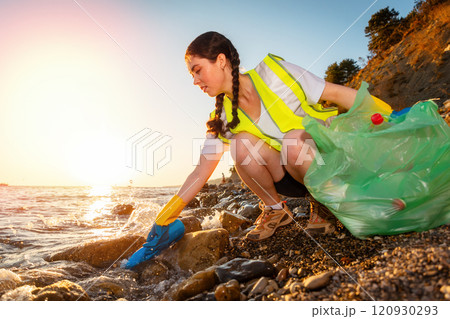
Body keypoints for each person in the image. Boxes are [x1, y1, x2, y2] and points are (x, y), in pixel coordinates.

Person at [125, 31, 370, 269]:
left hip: (325, 162)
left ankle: (325, 202)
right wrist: (167, 214)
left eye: (197, 70)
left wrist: (387, 118)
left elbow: (336, 93)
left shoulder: (276, 73)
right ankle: (276, 210)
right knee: (241, 144)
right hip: (287, 178)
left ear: (221, 60)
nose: (195, 81)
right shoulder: (219, 117)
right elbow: (201, 172)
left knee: (294, 141)